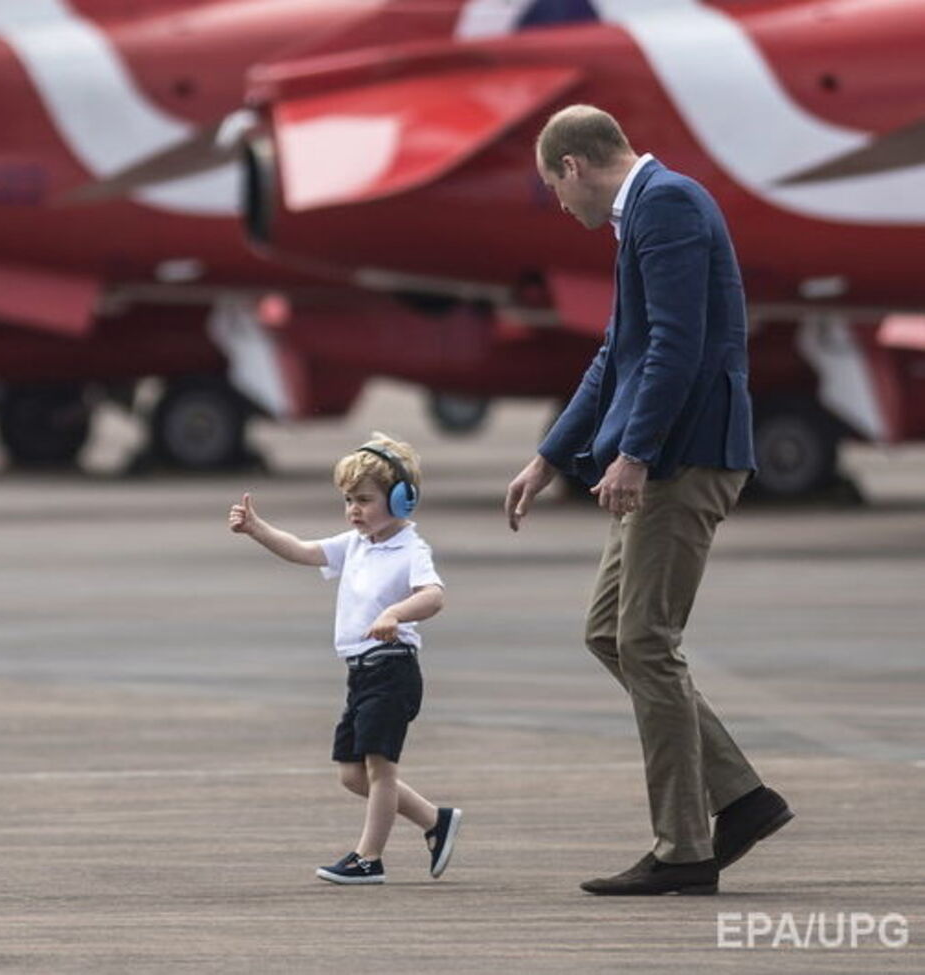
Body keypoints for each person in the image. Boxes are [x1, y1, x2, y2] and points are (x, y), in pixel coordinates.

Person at [505, 105, 793, 896]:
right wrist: (549, 456)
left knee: (646, 639)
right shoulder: (648, 212)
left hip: (684, 456)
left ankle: (685, 848)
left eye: (554, 189)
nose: (562, 208)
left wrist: (632, 453)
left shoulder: (664, 204)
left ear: (574, 166)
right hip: (666, 453)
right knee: (611, 631)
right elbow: (618, 353)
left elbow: (677, 344)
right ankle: (741, 797)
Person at [229, 432, 461, 885]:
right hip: (360, 673)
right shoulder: (357, 543)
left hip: (392, 668)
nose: (354, 510)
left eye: (364, 500)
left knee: (380, 768)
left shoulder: (410, 549)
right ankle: (436, 820)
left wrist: (396, 612)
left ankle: (368, 858)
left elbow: (433, 597)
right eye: (348, 500)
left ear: (401, 500)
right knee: (352, 775)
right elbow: (303, 550)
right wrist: (258, 530)